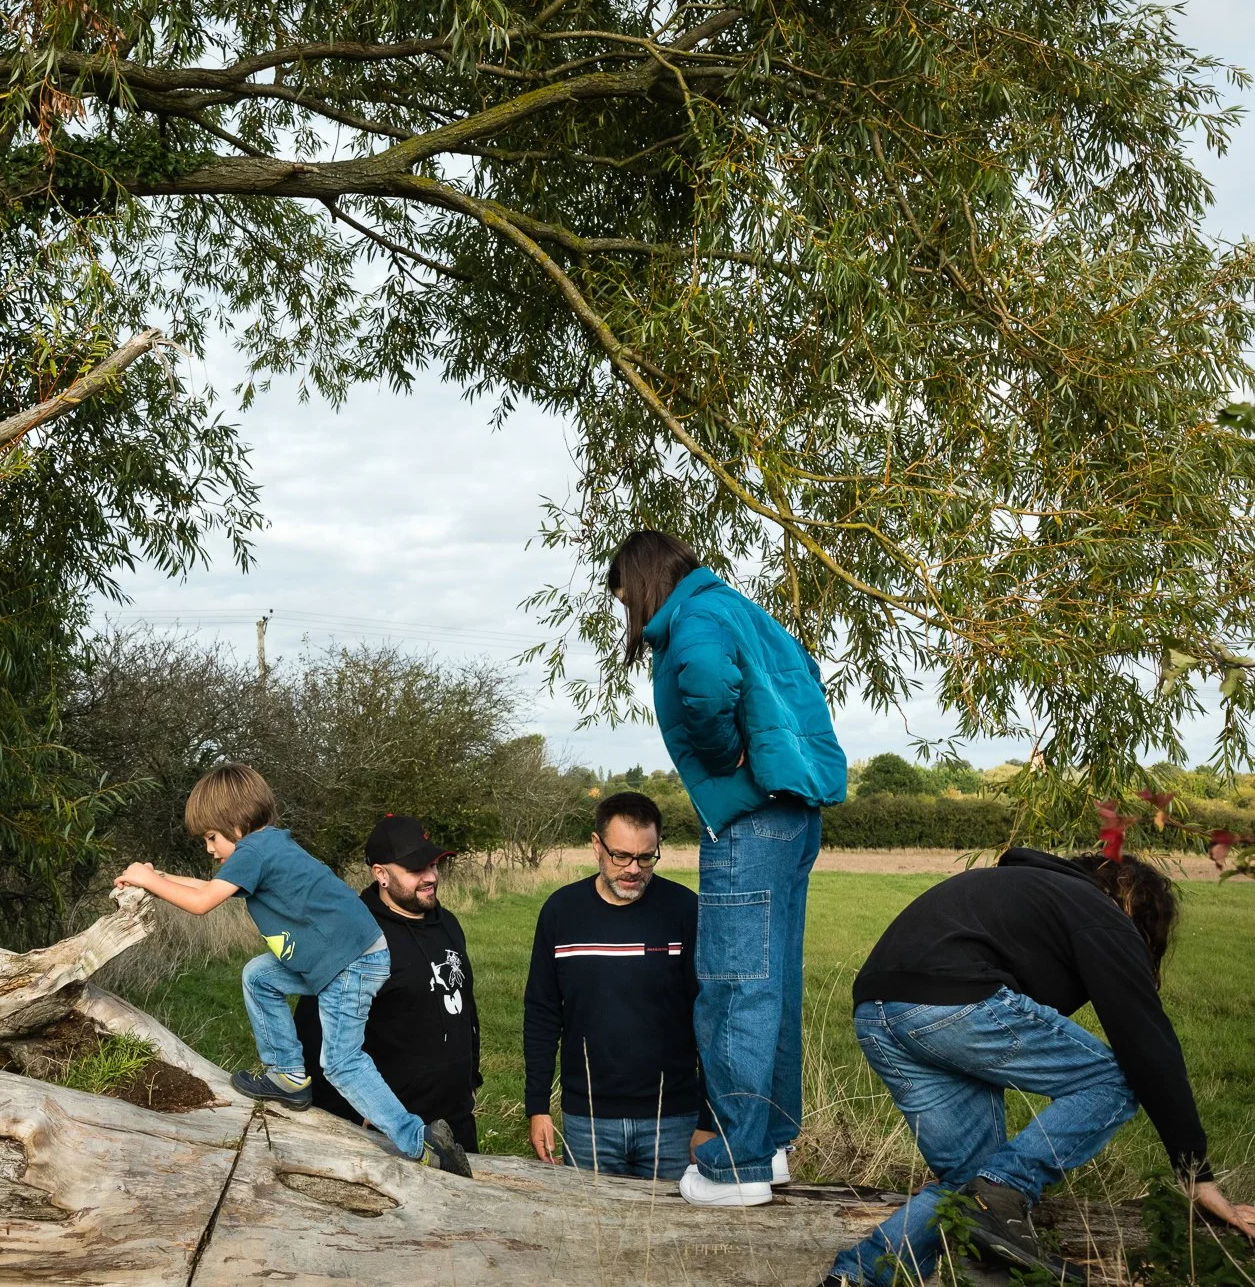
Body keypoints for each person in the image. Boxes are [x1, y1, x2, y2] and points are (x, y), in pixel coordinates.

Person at [825, 848, 1255, 1286]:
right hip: (954, 1003)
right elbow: (1148, 1046)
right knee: (1114, 1080)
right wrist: (1196, 1175)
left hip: (877, 1013)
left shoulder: (1026, 890)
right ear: (1136, 906)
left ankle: (857, 1277)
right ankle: (1003, 1187)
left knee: (967, 1186)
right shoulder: (1098, 911)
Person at [607, 529, 847, 1207]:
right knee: (771, 985)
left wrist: (724, 755)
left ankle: (737, 1163)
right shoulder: (741, 608)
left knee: (733, 987)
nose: (628, 615)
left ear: (643, 581)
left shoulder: (697, 617)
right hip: (795, 815)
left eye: (624, 599)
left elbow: (708, 682)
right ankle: (765, 1144)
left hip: (749, 819)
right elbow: (803, 669)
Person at [114, 764, 471, 1176]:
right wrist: (154, 878)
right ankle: (288, 1076)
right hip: (338, 955)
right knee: (259, 976)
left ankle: (423, 1146)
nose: (210, 849)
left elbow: (201, 902)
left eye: (212, 837)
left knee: (340, 1062)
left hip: (351, 962)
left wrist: (148, 879)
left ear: (236, 822)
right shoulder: (265, 848)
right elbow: (207, 887)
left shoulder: (255, 851)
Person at [523, 791, 708, 1179]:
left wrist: (707, 1117)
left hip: (672, 1119)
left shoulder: (685, 910)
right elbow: (541, 1014)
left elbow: (710, 1017)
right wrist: (537, 1106)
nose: (633, 869)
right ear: (596, 845)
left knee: (672, 1234)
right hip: (588, 1120)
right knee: (593, 1234)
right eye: (620, 855)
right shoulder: (560, 912)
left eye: (646, 857)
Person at [292, 815, 482, 1153]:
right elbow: (314, 1033)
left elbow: (465, 1006)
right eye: (416, 869)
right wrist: (349, 1109)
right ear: (381, 873)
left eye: (434, 865)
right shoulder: (353, 935)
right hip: (392, 1129)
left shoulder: (447, 923)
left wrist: (471, 1079)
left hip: (457, 1121)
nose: (431, 877)